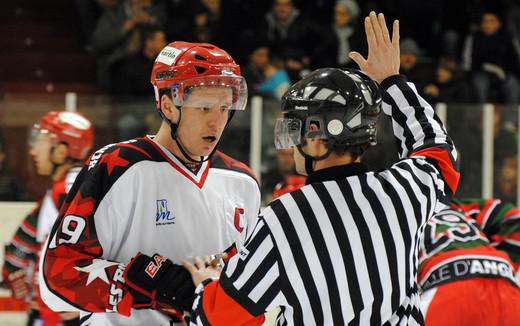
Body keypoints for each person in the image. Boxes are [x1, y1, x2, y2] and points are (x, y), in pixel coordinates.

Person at [181, 12, 459, 324]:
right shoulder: (403, 190)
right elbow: (438, 147)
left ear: (317, 138)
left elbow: (219, 317)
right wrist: (392, 82)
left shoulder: (282, 218)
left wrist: (207, 283)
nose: (289, 141)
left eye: (294, 128)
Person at [39, 42, 260, 325]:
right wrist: (143, 284)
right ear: (168, 105)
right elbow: (56, 276)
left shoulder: (242, 183)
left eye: (224, 108)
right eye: (204, 108)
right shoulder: (116, 166)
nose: (216, 122)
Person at [2, 111, 94, 325]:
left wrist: (76, 299)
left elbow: (91, 247)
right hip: (51, 313)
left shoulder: (71, 189)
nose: (33, 150)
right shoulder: (65, 187)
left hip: (63, 318)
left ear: (61, 151)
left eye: (40, 141)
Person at [419, 197, 520, 325]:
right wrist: (497, 266)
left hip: (446, 284)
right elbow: (514, 219)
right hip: (505, 283)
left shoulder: (394, 217)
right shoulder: (454, 205)